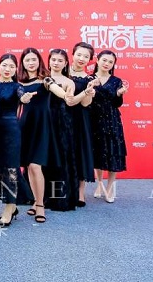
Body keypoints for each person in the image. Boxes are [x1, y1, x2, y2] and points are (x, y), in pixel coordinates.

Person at [17, 47, 66, 224]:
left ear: (39, 61)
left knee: (36, 166)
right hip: (24, 126)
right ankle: (36, 201)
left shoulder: (46, 79)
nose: (31, 63)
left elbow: (57, 90)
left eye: (34, 59)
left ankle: (40, 206)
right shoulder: (19, 83)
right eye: (27, 60)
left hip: (42, 127)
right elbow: (17, 104)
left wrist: (66, 94)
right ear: (22, 63)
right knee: (29, 167)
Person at [0, 54, 31, 226]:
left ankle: (9, 208)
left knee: (11, 168)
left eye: (11, 66)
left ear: (15, 69)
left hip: (12, 130)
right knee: (0, 168)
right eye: (4, 65)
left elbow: (22, 96)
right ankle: (13, 205)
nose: (7, 69)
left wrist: (24, 98)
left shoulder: (17, 86)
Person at [42, 49, 78, 212]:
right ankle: (39, 197)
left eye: (60, 60)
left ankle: (59, 197)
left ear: (65, 63)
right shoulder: (42, 78)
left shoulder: (69, 81)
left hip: (62, 122)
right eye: (53, 60)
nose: (56, 63)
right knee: (43, 158)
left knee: (61, 157)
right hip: (44, 121)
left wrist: (75, 95)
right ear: (49, 61)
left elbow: (70, 100)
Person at [90, 50, 128, 203]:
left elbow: (117, 104)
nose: (107, 64)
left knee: (113, 152)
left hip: (112, 120)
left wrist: (119, 94)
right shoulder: (89, 78)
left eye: (110, 62)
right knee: (97, 152)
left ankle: (110, 187)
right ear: (97, 60)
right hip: (94, 120)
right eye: (104, 60)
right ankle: (99, 184)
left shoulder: (116, 81)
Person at [66, 42, 97, 206]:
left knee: (80, 152)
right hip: (61, 116)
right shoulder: (62, 72)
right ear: (72, 54)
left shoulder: (89, 79)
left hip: (80, 119)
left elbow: (85, 104)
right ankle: (60, 189)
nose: (81, 58)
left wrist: (89, 92)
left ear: (90, 60)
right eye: (79, 54)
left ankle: (80, 193)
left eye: (86, 56)